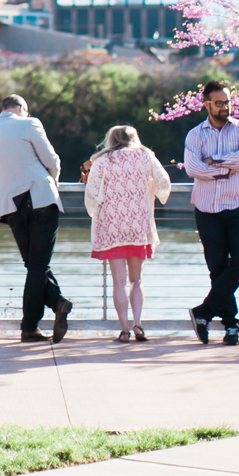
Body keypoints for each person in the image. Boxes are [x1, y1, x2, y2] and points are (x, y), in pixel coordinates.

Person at [0, 94, 73, 343]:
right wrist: (53, 182)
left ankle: (53, 305)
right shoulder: (29, 124)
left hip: (11, 204)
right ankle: (31, 325)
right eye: (27, 111)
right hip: (39, 197)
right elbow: (52, 160)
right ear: (21, 108)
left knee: (33, 265)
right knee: (38, 265)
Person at [181, 80, 239, 346]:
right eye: (220, 103)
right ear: (207, 105)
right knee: (217, 268)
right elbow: (193, 168)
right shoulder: (195, 135)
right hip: (206, 209)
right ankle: (231, 324)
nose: (226, 107)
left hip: (236, 205)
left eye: (228, 102)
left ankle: (204, 311)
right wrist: (226, 168)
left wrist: (213, 162)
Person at [84, 125, 172, 342]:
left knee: (118, 282)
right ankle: (138, 324)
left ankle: (124, 329)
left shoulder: (103, 160)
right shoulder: (146, 157)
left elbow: (92, 192)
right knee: (137, 280)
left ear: (111, 140)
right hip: (138, 224)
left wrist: (95, 210)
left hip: (111, 224)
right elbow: (164, 183)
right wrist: (151, 189)